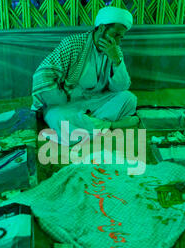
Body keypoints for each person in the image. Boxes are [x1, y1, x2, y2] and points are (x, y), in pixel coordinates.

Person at [31, 6, 139, 146]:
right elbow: (43, 75)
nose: (118, 41)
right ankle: (108, 125)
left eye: (121, 37)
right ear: (101, 28)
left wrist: (116, 61)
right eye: (116, 34)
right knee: (57, 116)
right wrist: (61, 98)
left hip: (96, 100)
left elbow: (121, 87)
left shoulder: (114, 50)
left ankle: (87, 125)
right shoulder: (74, 44)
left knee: (129, 99)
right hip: (68, 103)